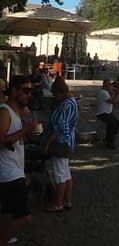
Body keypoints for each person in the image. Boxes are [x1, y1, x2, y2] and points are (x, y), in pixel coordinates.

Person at [1, 77, 40, 246]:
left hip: (15, 172)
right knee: (24, 217)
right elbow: (2, 141)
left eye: (30, 91)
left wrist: (28, 133)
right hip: (7, 174)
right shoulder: (4, 112)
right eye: (25, 90)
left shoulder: (15, 112)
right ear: (14, 90)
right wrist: (25, 129)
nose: (28, 95)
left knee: (8, 218)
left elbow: (15, 139)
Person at [46, 79, 76, 211]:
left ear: (60, 92)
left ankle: (58, 204)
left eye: (55, 94)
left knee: (59, 174)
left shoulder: (66, 105)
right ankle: (67, 201)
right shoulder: (70, 101)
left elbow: (60, 128)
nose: (54, 97)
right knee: (66, 172)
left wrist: (48, 143)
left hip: (61, 142)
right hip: (67, 141)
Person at [96, 79, 119, 149]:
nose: (111, 87)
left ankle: (109, 138)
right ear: (105, 85)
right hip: (102, 113)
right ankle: (110, 142)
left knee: (116, 123)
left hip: (107, 113)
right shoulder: (103, 92)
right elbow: (113, 101)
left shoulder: (106, 92)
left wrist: (117, 92)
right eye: (109, 85)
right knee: (113, 124)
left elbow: (114, 100)